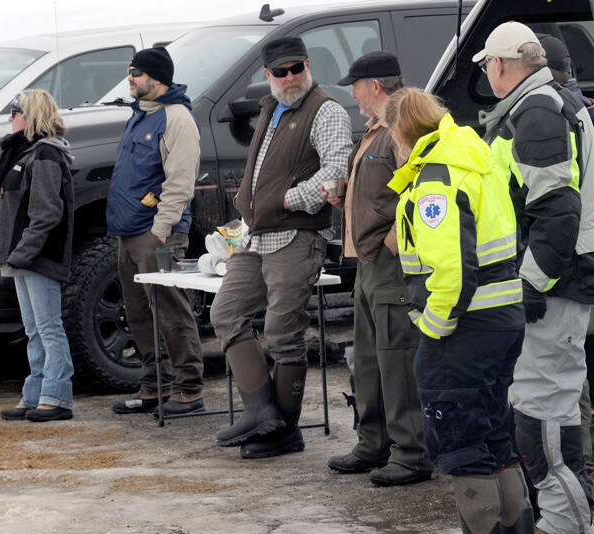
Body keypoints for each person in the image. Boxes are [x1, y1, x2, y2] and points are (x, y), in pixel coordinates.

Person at [474, 22, 594, 534]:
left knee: (543, 419)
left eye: (487, 64)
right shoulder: (546, 104)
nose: (487, 73)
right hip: (560, 278)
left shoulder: (537, 112)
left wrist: (527, 285)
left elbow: (557, 212)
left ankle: (567, 526)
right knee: (543, 413)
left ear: (501, 65)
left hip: (555, 283)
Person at [384, 87, 533, 533]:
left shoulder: (435, 178)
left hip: (464, 328)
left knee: (463, 446)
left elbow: (452, 266)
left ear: (401, 130)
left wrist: (434, 329)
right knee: (494, 438)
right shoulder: (474, 157)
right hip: (502, 317)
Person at [209, 37, 352, 459]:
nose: (290, 77)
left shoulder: (325, 109)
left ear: (308, 64)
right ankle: (261, 411)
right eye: (281, 71)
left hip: (295, 236)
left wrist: (290, 200)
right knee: (225, 312)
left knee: (282, 333)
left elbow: (336, 169)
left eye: (296, 68)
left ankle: (286, 431)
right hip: (255, 234)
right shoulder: (271, 108)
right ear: (267, 75)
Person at [325, 51, 432, 486]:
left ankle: (411, 453)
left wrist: (391, 242)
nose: (352, 93)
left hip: (390, 265)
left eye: (356, 85)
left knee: (396, 361)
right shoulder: (373, 132)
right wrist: (348, 196)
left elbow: (422, 187)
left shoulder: (399, 129)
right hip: (367, 264)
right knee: (369, 360)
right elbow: (386, 190)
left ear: (375, 87)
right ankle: (373, 444)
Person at [107, 47, 204, 416]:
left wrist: (162, 230)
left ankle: (189, 388)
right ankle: (154, 386)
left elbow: (180, 182)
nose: (130, 78)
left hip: (156, 233)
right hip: (128, 231)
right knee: (137, 311)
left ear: (156, 78)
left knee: (169, 310)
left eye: (135, 73)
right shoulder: (140, 115)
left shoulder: (176, 118)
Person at [539, 31, 594, 492]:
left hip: (566, 262)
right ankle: (575, 467)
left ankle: (575, 470)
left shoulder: (559, 114)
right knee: (572, 367)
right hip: (583, 254)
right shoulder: (581, 109)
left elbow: (559, 204)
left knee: (565, 374)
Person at [0, 89, 76, 422]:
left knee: (49, 328)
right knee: (35, 330)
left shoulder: (45, 155)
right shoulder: (23, 155)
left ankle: (57, 396)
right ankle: (36, 394)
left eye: (13, 112)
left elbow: (46, 213)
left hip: (37, 257)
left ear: (29, 115)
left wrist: (23, 251)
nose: (9, 119)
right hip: (21, 258)